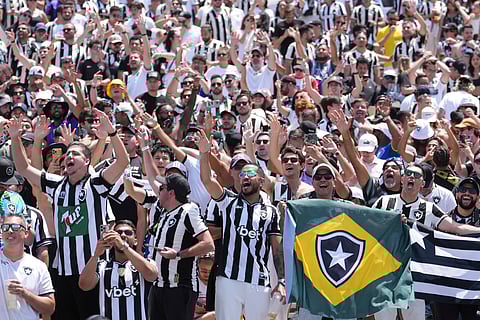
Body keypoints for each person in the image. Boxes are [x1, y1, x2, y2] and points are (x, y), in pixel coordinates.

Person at [8, 110, 129, 320]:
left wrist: (112, 133)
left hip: (93, 271)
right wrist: (15, 138)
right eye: (68, 154)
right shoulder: (57, 184)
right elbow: (23, 167)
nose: (69, 157)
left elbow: (122, 162)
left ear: (88, 161)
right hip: (63, 271)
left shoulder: (97, 184)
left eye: (76, 154)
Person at [198, 129, 286, 319]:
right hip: (228, 280)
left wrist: (282, 281)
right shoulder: (227, 201)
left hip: (259, 281)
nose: (245, 177)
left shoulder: (270, 211)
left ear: (261, 180)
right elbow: (206, 180)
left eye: (250, 173)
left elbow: (277, 250)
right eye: (242, 174)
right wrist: (204, 154)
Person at [373, 164, 480, 319]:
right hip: (385, 273)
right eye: (408, 173)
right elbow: (368, 225)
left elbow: (454, 227)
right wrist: (389, 222)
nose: (411, 177)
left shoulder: (429, 208)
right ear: (402, 179)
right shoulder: (384, 202)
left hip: (415, 277)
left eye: (416, 176)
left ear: (422, 184)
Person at [79, 220, 158, 320]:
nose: (123, 235)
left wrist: (124, 246)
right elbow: (84, 285)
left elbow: (152, 275)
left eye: (128, 233)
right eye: (118, 233)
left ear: (136, 240)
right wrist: (96, 254)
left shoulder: (146, 262)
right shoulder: (101, 266)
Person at [0, 215, 55, 318]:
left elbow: (50, 308)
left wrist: (25, 293)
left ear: (26, 233)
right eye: (5, 227)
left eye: (15, 227)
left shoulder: (39, 267)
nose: (10, 231)